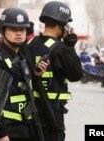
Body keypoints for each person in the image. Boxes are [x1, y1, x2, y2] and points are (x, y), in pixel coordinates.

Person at [0, 8, 49, 141]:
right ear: (2, 31)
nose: (19, 33)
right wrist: (1, 134)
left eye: (22, 29)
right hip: (9, 131)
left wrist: (36, 76)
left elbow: (23, 91)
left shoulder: (21, 57)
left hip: (27, 127)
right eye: (13, 29)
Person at [27, 1, 83, 141]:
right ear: (61, 25)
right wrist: (70, 46)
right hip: (52, 115)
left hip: (30, 111)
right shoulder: (61, 49)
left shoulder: (29, 45)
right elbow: (76, 75)